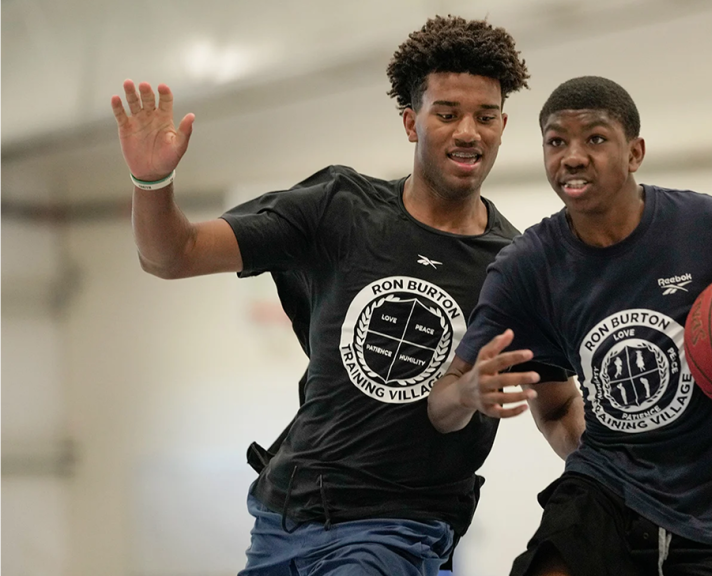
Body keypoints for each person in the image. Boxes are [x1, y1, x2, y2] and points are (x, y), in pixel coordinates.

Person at [110, 15, 554, 576]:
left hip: (399, 528)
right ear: (411, 122)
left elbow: (550, 406)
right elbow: (171, 256)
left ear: (502, 124)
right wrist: (152, 183)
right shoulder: (339, 208)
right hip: (284, 515)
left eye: (485, 117)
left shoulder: (511, 267)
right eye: (447, 114)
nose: (469, 131)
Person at [428, 76, 712, 576]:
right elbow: (441, 406)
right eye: (556, 141)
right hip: (605, 489)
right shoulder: (526, 267)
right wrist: (465, 392)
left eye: (594, 138)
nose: (572, 156)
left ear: (635, 152)